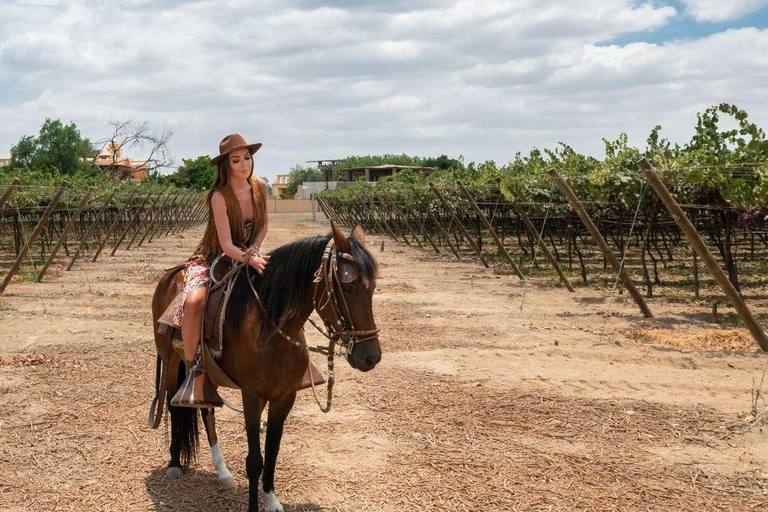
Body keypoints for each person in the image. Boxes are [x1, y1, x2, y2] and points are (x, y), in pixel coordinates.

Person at [159, 133, 269, 408]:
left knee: (282, 286)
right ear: (226, 165)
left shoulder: (261, 187)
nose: (244, 164)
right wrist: (248, 258)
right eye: (236, 160)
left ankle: (292, 357)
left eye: (247, 157)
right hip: (213, 257)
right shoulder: (218, 197)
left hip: (248, 253)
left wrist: (255, 249)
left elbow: (264, 225)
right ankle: (193, 368)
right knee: (195, 301)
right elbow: (225, 244)